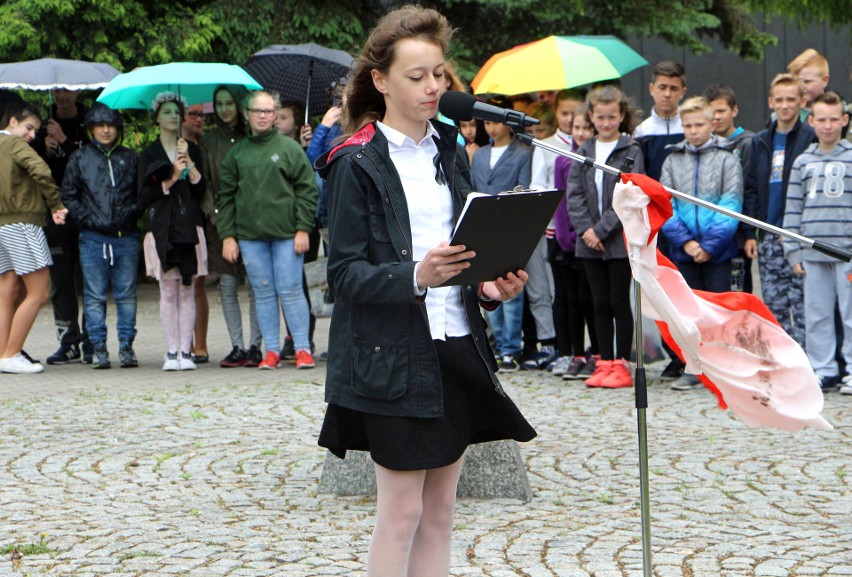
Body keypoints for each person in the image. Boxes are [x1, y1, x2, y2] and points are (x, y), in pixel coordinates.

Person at [315, 7, 535, 576]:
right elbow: (343, 276)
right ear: (381, 81)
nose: (434, 87)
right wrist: (417, 275)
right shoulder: (354, 161)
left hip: (456, 344)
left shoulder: (447, 147)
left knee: (440, 513)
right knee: (402, 513)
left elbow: (463, 256)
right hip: (392, 356)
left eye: (439, 74)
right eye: (417, 77)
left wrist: (488, 288)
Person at [217, 90, 318, 370]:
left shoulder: (290, 149)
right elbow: (224, 198)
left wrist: (303, 228)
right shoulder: (236, 154)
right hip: (250, 237)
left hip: (288, 235)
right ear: (247, 115)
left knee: (291, 290)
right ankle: (271, 350)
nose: (262, 116)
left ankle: (302, 349)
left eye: (268, 111)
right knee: (262, 292)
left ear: (275, 115)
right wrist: (227, 235)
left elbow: (307, 191)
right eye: (257, 111)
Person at [659, 96, 743, 390]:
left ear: (712, 124)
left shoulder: (727, 159)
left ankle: (719, 368)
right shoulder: (672, 159)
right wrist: (686, 243)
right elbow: (665, 205)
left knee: (717, 310)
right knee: (687, 311)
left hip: (718, 251)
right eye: (688, 125)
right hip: (684, 251)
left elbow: (731, 203)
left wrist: (709, 245)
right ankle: (693, 366)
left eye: (699, 124)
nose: (693, 130)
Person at [566, 85, 644, 389]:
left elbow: (630, 194)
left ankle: (622, 362)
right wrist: (587, 230)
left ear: (622, 116)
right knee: (597, 303)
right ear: (592, 117)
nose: (607, 122)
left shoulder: (631, 150)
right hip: (588, 242)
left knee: (618, 302)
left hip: (617, 241)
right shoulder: (584, 150)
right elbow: (574, 194)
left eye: (612, 117)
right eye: (601, 117)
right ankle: (604, 361)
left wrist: (601, 230)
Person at [60, 103, 140, 370]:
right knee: (93, 295)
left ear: (118, 128)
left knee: (126, 294)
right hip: (93, 237)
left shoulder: (130, 158)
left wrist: (131, 213)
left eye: (111, 125)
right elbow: (69, 195)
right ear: (91, 128)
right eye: (100, 125)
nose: (106, 130)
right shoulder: (80, 158)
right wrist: (87, 219)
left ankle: (126, 346)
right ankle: (98, 347)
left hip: (125, 235)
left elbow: (141, 194)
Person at [782, 91, 851, 393]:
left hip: (846, 251)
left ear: (845, 120)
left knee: (850, 315)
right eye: (821, 119)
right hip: (812, 250)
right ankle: (823, 369)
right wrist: (792, 247)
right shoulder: (802, 161)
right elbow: (793, 207)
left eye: (834, 119)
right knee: (817, 313)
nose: (827, 125)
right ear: (810, 121)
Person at [743, 73, 815, 349]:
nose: (785, 106)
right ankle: (780, 357)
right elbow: (751, 189)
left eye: (791, 100)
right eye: (780, 100)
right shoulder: (760, 142)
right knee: (774, 303)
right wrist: (751, 232)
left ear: (802, 102)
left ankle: (809, 360)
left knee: (804, 302)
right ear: (771, 102)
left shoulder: (810, 138)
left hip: (798, 235)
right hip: (769, 234)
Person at [138, 92, 207, 372]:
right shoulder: (148, 153)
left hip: (189, 226)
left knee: (188, 289)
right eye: (167, 112)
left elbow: (201, 189)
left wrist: (188, 162)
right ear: (157, 117)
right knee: (168, 289)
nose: (173, 117)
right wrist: (170, 178)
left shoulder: (191, 149)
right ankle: (171, 351)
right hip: (162, 229)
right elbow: (143, 196)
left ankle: (186, 352)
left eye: (177, 112)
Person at [0, 102, 68, 374]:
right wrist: (56, 205)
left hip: (1, 227)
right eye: (29, 128)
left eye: (35, 132)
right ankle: (12, 353)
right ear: (12, 122)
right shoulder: (16, 146)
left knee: (7, 292)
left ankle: (3, 353)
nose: (31, 135)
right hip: (22, 223)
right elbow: (41, 171)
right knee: (39, 292)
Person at [200, 85, 263, 368]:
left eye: (229, 103)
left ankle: (255, 345)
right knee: (227, 286)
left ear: (239, 106)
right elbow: (205, 186)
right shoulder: (208, 141)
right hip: (220, 223)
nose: (225, 108)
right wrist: (216, 219)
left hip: (253, 222)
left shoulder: (253, 138)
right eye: (219, 104)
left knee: (255, 287)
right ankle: (236, 345)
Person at [633, 60, 688, 381]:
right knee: (661, 290)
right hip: (655, 223)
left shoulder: (691, 124)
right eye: (662, 88)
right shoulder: (642, 133)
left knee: (687, 288)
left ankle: (693, 353)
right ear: (652, 89)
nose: (667, 94)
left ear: (683, 90)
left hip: (688, 221)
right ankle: (673, 355)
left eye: (674, 88)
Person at [470, 95, 532, 372]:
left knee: (510, 286)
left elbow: (524, 188)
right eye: (486, 122)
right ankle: (496, 342)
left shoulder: (522, 153)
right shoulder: (479, 154)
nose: (491, 127)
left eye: (496, 121)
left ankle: (511, 347)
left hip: (510, 226)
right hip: (484, 226)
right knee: (485, 284)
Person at [32, 88, 92, 366]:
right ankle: (68, 342)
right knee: (61, 282)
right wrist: (44, 148)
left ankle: (93, 340)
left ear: (77, 91)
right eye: (57, 90)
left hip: (87, 214)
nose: (62, 95)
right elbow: (31, 169)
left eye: (67, 90)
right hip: (55, 217)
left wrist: (66, 141)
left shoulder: (90, 124)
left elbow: (93, 165)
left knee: (92, 280)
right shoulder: (42, 127)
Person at [551, 103, 599, 380]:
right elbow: (560, 199)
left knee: (589, 299)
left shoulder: (595, 159)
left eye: (585, 128)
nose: (580, 133)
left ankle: (597, 352)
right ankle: (574, 352)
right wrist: (565, 236)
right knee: (569, 299)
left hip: (590, 239)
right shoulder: (563, 159)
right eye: (576, 128)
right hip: (566, 240)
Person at [703, 83, 755, 293]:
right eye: (711, 112)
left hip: (738, 237)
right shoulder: (703, 144)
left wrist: (750, 233)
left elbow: (750, 189)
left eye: (722, 111)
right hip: (710, 234)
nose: (716, 117)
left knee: (738, 293)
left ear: (734, 110)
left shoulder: (748, 143)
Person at [522, 101, 559, 369]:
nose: (537, 135)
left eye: (542, 129)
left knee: (560, 290)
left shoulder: (568, 146)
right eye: (532, 130)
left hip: (563, 229)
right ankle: (547, 341)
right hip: (537, 224)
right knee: (538, 289)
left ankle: (564, 343)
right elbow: (536, 184)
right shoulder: (535, 148)